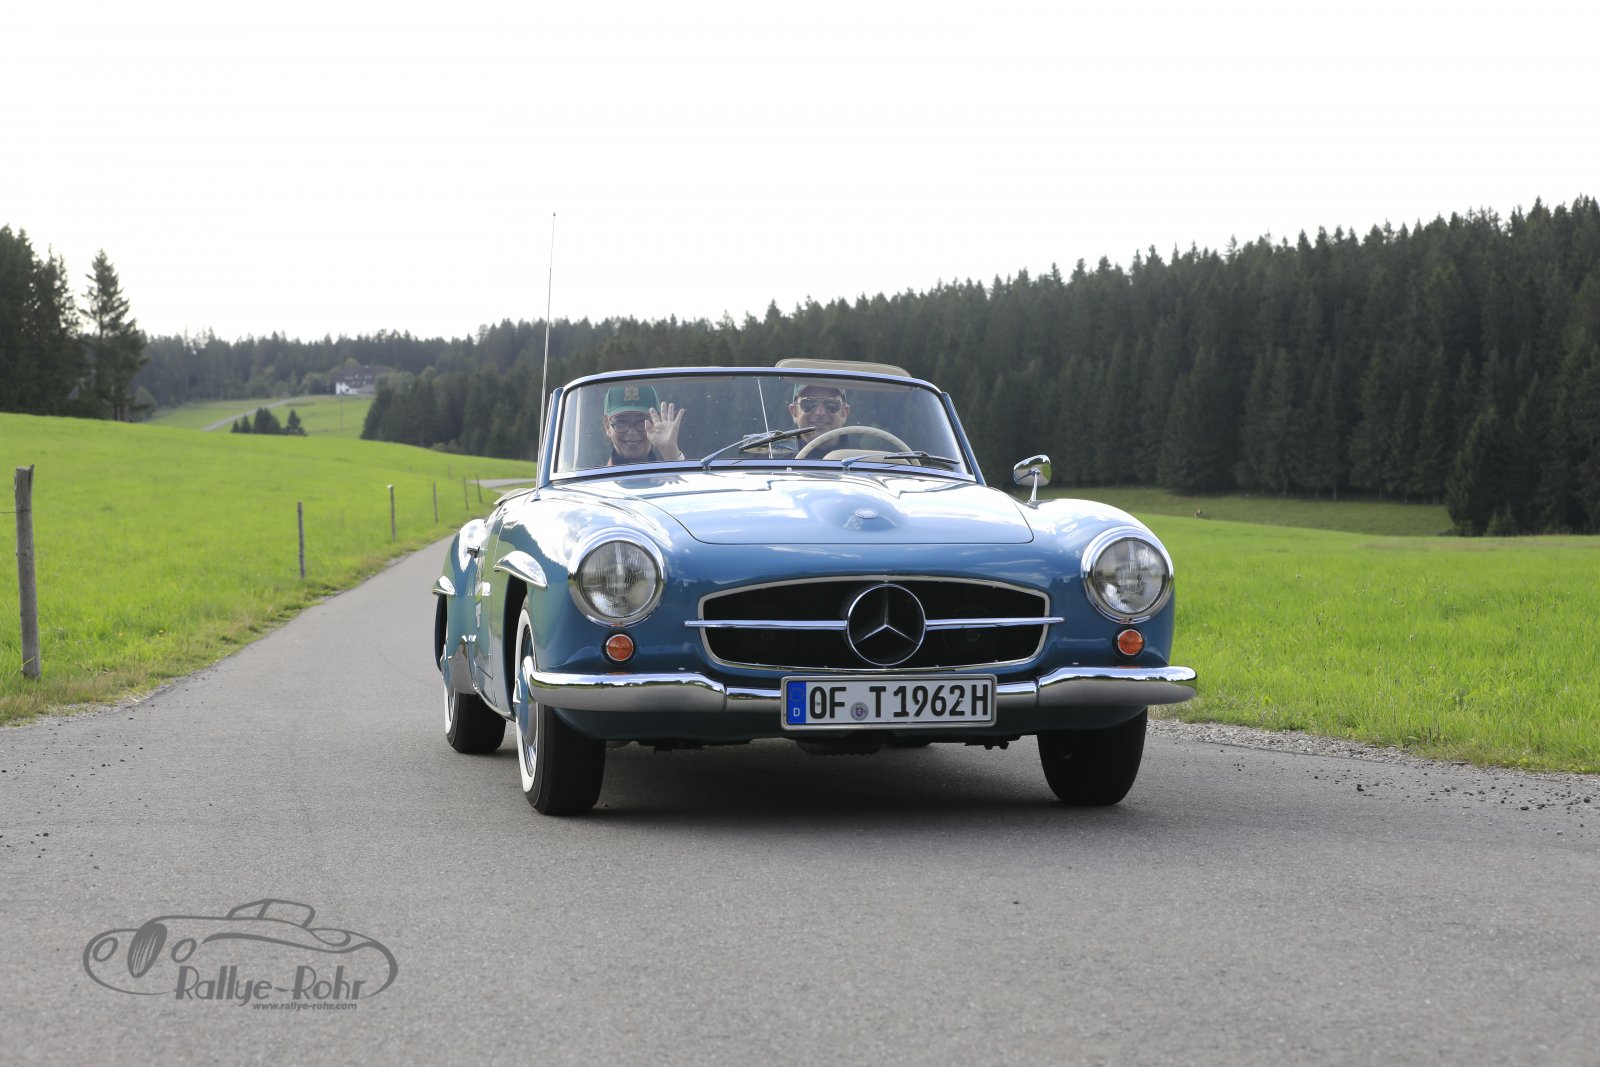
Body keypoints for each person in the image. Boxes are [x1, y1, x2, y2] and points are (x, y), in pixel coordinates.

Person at [603, 384, 685, 465]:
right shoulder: (597, 473)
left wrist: (672, 454)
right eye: (621, 422)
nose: (632, 432)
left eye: (642, 422)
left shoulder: (668, 473)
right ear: (607, 426)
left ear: (657, 422)